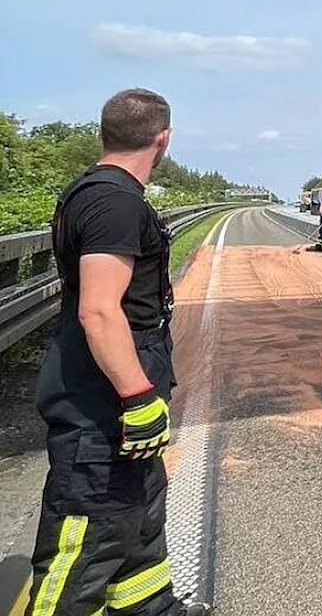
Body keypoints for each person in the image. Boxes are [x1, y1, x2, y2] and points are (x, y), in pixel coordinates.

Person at [27, 88, 212, 615]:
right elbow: (100, 311)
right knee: (86, 545)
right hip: (103, 411)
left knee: (138, 530)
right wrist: (137, 397)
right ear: (164, 139)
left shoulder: (95, 192)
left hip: (118, 410)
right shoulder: (116, 202)